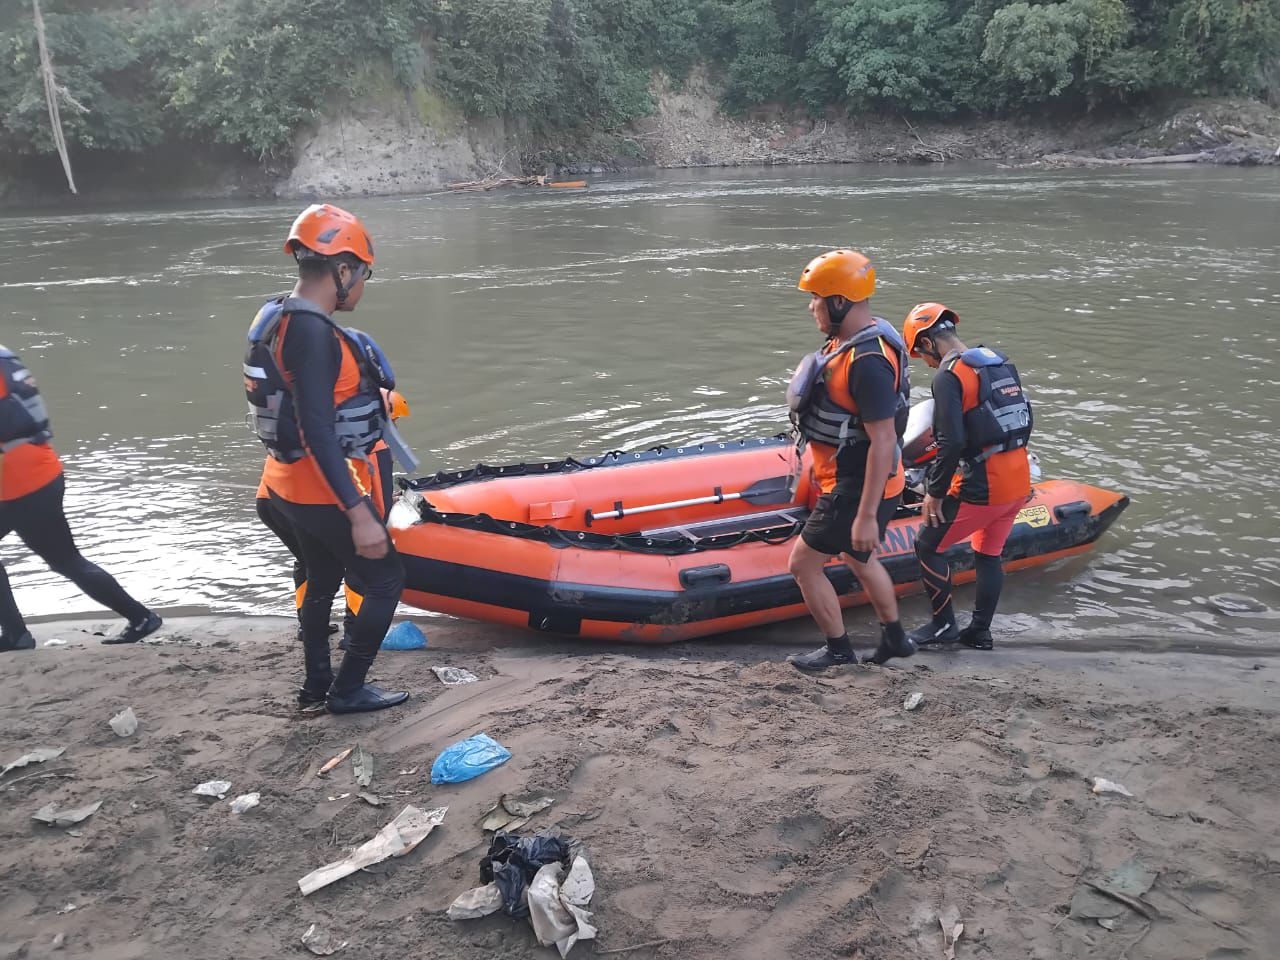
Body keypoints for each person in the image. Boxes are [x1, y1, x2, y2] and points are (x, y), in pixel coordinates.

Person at [244, 203, 416, 714]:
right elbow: (318, 429)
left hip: (281, 485)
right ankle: (346, 690)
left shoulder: (275, 315)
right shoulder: (314, 332)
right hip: (321, 489)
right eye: (363, 273)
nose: (362, 284)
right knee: (386, 579)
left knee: (319, 577)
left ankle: (316, 685)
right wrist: (359, 514)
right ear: (342, 270)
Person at [784, 250, 917, 671]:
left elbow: (881, 440)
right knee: (859, 559)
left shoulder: (868, 361)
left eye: (817, 299)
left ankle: (839, 651)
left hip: (856, 485)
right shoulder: (853, 341)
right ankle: (896, 638)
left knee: (803, 565)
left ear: (840, 301)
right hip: (862, 479)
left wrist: (864, 516)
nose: (811, 307)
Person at [0, 345, 162, 651]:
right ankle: (140, 617)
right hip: (42, 472)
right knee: (66, 560)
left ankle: (16, 635)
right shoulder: (3, 356)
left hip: (17, 485)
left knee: (65, 559)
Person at [900, 303, 1033, 651]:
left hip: (985, 485)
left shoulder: (948, 376)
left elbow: (951, 441)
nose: (925, 362)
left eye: (921, 354)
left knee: (927, 545)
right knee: (988, 553)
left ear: (929, 343)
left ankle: (944, 626)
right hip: (1018, 477)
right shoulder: (999, 362)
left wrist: (935, 492)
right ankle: (980, 631)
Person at [254, 388, 409, 655]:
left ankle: (309, 626)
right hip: (313, 508)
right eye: (393, 422)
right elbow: (380, 503)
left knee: (309, 564)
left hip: (271, 503)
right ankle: (354, 634)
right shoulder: (377, 444)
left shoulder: (315, 428)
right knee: (360, 569)